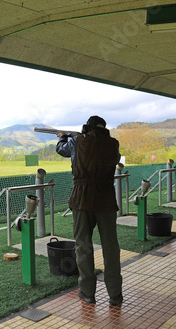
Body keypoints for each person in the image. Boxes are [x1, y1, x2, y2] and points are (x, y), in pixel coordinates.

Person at [56, 115, 123, 305]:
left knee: (83, 246)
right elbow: (115, 158)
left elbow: (62, 150)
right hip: (106, 200)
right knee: (111, 247)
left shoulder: (77, 141)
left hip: (81, 199)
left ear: (87, 127)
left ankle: (87, 292)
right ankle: (115, 294)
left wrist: (63, 137)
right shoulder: (113, 143)